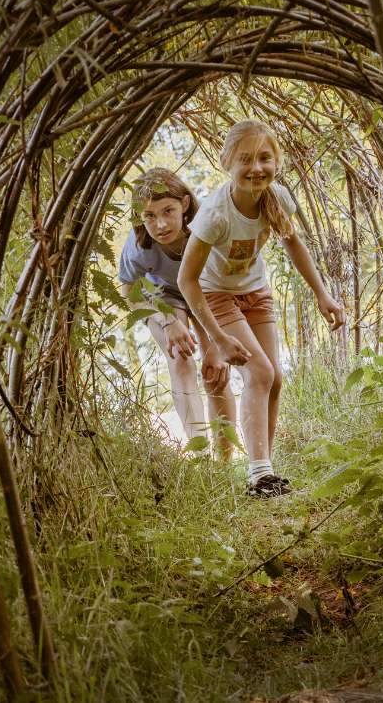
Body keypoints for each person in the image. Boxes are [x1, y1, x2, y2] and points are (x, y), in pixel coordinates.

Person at [179, 119, 348, 497]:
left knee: (274, 379)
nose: (256, 167)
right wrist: (217, 339)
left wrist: (323, 294)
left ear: (277, 161)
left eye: (265, 158)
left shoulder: (277, 198)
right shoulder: (215, 214)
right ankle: (258, 474)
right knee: (259, 372)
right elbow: (186, 281)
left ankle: (264, 473)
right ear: (227, 163)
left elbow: (294, 246)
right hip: (216, 295)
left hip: (256, 292)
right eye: (245, 159)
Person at [118, 168, 236, 458]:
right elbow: (129, 293)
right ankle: (200, 456)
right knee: (180, 359)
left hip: (208, 292)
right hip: (165, 298)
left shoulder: (208, 228)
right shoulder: (137, 249)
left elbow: (233, 281)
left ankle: (224, 460)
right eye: (149, 216)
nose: (159, 224)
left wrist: (217, 343)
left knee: (216, 371)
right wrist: (167, 320)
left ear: (184, 205)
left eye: (167, 211)